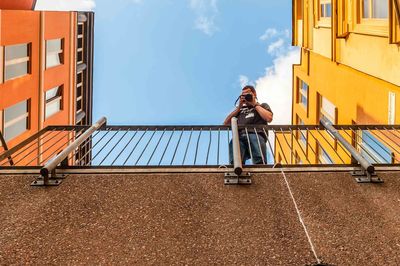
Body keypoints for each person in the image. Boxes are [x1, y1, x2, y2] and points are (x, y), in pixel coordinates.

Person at [223, 85, 273, 165]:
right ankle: (235, 168)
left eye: (248, 94)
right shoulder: (239, 110)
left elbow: (269, 118)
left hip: (256, 134)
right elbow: (225, 124)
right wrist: (239, 108)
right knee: (235, 148)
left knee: (258, 157)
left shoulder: (262, 106)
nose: (246, 96)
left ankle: (260, 166)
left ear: (254, 94)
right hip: (239, 136)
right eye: (243, 95)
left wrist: (254, 104)